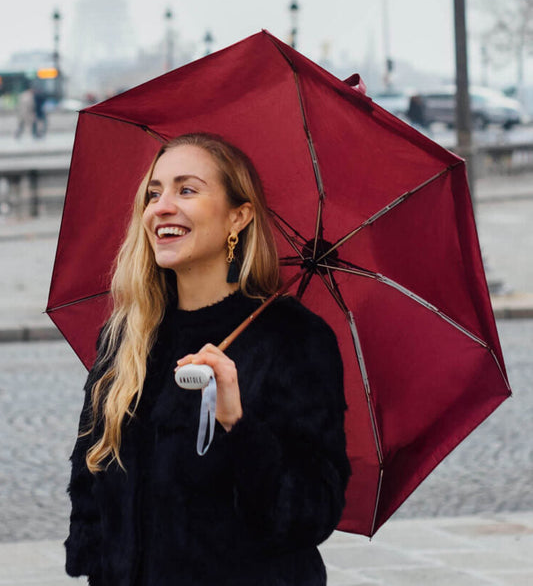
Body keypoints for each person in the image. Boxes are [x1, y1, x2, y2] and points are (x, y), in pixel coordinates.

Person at [65, 132, 350, 586]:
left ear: (238, 217)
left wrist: (239, 423)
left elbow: (310, 514)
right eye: (154, 193)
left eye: (187, 189)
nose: (161, 206)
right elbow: (91, 486)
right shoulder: (126, 335)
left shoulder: (292, 339)